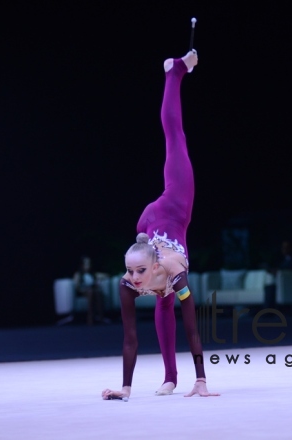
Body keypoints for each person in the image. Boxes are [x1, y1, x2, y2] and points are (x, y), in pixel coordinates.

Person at [102, 50, 219, 400]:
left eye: (139, 273)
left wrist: (202, 379)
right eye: (131, 273)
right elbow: (129, 337)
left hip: (173, 204)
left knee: (175, 137)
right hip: (148, 224)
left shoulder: (173, 273)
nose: (134, 281)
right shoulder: (130, 281)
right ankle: (169, 378)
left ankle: (175, 72)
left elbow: (192, 326)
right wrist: (124, 388)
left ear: (153, 265)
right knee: (161, 302)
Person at [72, 256, 108, 325]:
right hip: (83, 291)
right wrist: (84, 289)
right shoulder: (78, 274)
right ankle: (90, 317)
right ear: (82, 265)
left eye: (89, 263)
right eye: (86, 264)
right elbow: (77, 287)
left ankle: (100, 317)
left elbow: (104, 275)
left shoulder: (93, 274)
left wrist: (98, 281)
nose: (88, 265)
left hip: (92, 289)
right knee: (90, 292)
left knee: (97, 292)